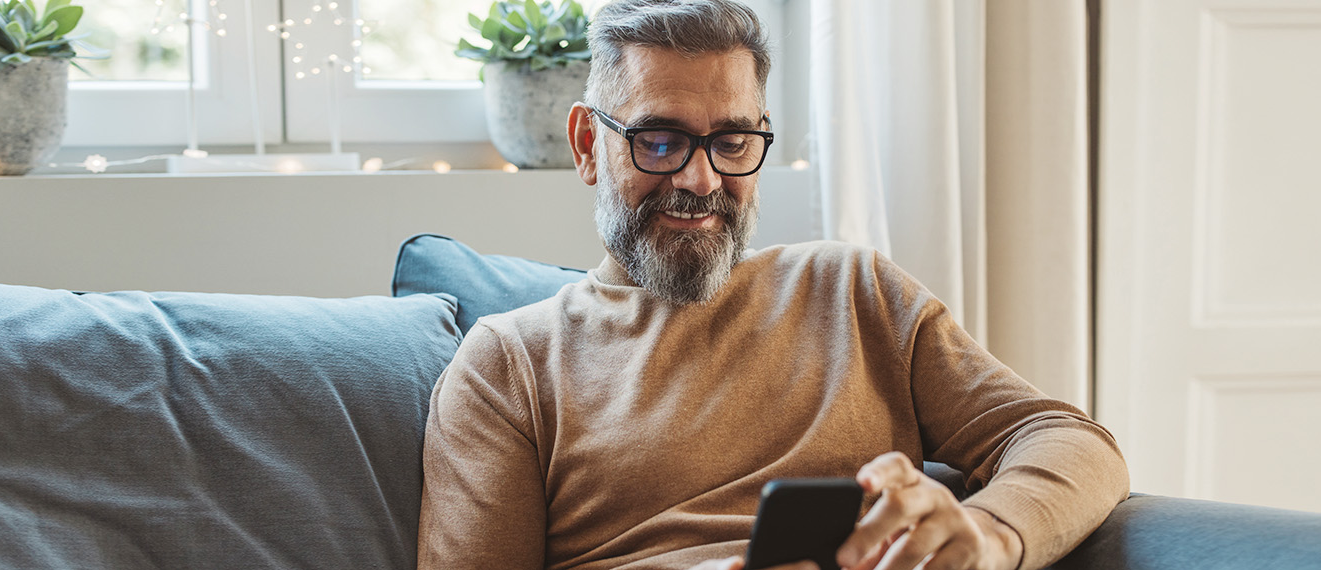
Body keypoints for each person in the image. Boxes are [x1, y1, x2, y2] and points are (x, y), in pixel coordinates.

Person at [417, 1, 1129, 569]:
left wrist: (989, 533)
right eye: (658, 140)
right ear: (586, 146)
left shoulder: (853, 291)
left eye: (731, 142)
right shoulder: (508, 365)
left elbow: (1065, 437)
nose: (701, 180)